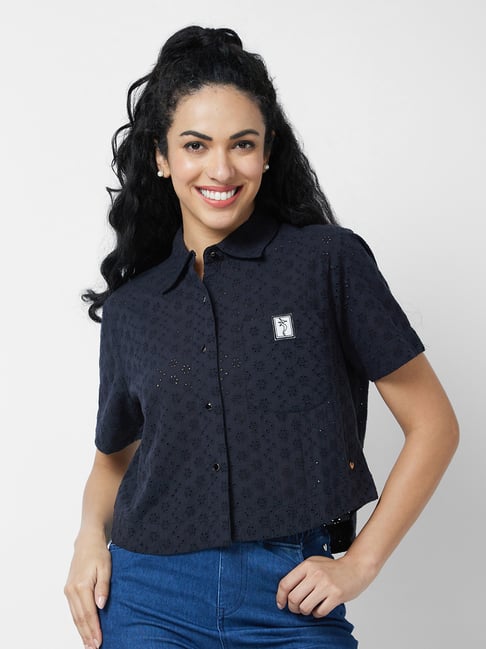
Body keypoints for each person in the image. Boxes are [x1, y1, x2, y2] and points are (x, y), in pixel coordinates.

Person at [64, 25, 459, 649]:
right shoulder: (132, 309)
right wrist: (89, 537)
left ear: (267, 152)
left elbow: (434, 424)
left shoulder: (327, 263)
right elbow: (113, 458)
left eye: (242, 144)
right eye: (195, 145)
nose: (220, 168)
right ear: (162, 158)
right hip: (148, 598)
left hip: (290, 597)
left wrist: (360, 563)